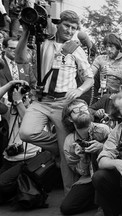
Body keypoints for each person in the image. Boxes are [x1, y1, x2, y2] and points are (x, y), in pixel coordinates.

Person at [15, 10, 94, 195]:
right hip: (41, 101)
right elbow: (20, 59)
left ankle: (69, 196)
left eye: (73, 28)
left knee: (67, 163)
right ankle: (61, 147)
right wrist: (26, 32)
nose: (69, 30)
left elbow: (89, 78)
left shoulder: (75, 48)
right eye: (66, 25)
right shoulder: (43, 42)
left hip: (63, 102)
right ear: (58, 24)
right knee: (26, 133)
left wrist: (80, 90)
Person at [60, 99, 111, 215]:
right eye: (76, 110)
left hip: (107, 174)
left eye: (84, 108)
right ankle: (98, 200)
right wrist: (82, 157)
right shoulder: (69, 141)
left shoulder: (103, 129)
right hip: (89, 178)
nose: (82, 111)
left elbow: (118, 151)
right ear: (69, 118)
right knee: (66, 208)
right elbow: (81, 172)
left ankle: (103, 204)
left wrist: (102, 147)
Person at [0, 80, 41, 204]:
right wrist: (10, 84)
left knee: (1, 183)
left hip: (30, 160)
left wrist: (19, 102)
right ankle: (19, 187)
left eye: (25, 94)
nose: (24, 97)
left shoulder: (37, 109)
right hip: (10, 160)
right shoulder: (9, 111)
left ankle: (21, 188)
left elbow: (29, 123)